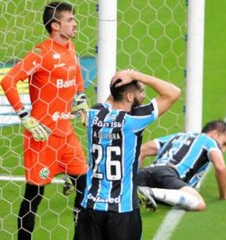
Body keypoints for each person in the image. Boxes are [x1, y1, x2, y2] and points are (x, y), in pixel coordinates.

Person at [0, 2, 88, 239]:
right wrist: (24, 116)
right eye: (70, 19)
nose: (75, 22)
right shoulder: (41, 54)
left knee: (85, 185)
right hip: (42, 137)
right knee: (34, 197)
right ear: (56, 25)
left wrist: (81, 97)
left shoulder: (70, 47)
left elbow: (76, 70)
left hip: (66, 135)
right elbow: (8, 81)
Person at [74, 69, 181, 240]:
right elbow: (173, 92)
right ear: (130, 97)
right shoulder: (133, 121)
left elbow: (110, 100)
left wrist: (119, 81)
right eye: (141, 92)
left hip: (90, 208)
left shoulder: (94, 115)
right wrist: (136, 75)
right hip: (122, 211)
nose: (144, 95)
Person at [137, 119, 226, 211]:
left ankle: (139, 188)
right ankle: (151, 192)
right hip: (168, 174)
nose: (224, 150)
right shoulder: (210, 141)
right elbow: (220, 167)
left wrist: (137, 172)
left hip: (146, 172)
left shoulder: (177, 136)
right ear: (214, 134)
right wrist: (224, 195)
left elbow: (141, 150)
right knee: (199, 203)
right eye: (224, 143)